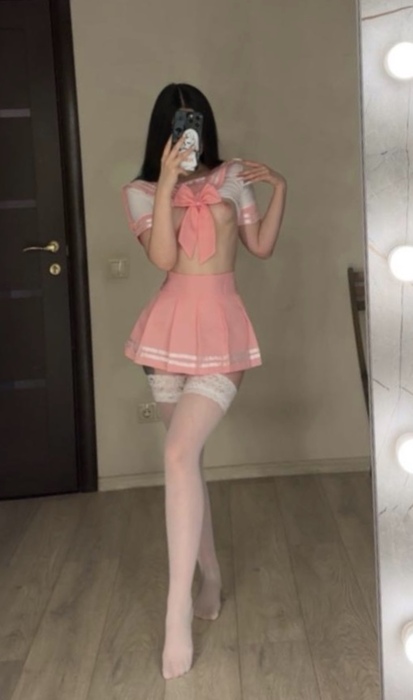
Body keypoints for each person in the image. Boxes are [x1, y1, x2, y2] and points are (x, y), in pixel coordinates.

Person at [121, 83, 287, 680]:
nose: (186, 134)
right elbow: (165, 260)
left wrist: (281, 188)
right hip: (166, 335)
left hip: (221, 332)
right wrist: (168, 182)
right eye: (176, 125)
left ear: (204, 126)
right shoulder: (140, 191)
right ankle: (209, 575)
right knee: (185, 461)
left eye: (192, 123)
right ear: (163, 132)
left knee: (176, 454)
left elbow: (260, 247)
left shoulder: (233, 176)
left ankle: (176, 616)